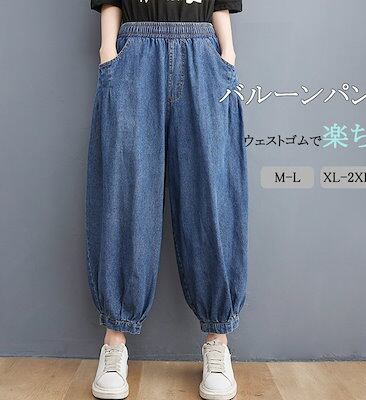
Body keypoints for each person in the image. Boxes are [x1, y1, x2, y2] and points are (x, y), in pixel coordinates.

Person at [85, 0, 248, 399]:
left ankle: (218, 341)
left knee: (212, 194)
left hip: (203, 53)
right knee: (125, 193)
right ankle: (114, 342)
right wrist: (108, 51)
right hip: (134, 53)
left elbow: (221, 3)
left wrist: (227, 53)